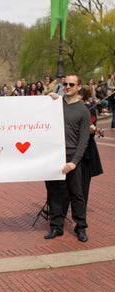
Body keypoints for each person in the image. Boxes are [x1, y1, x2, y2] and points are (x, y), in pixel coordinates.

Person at [45, 73, 91, 242]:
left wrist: (73, 162)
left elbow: (83, 140)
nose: (68, 87)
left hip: (72, 156)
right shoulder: (55, 104)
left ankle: (81, 227)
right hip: (54, 155)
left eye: (72, 84)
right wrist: (49, 99)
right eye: (65, 84)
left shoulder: (83, 111)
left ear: (79, 87)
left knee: (76, 193)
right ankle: (56, 227)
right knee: (53, 193)